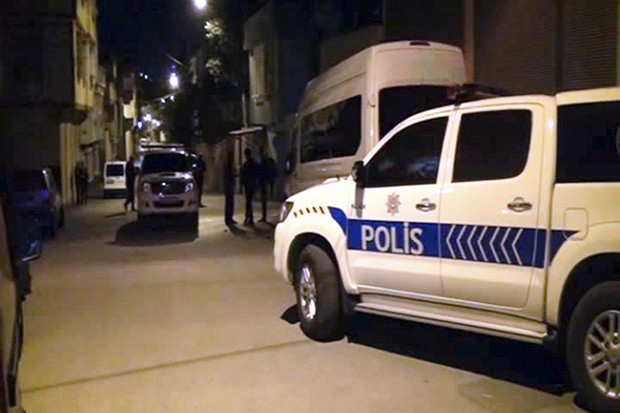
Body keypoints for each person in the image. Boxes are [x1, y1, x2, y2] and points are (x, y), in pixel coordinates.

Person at [240, 148, 258, 226]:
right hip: (252, 184)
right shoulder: (253, 163)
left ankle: (249, 218)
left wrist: (242, 184)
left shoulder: (246, 164)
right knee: (249, 202)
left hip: (248, 185)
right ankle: (249, 218)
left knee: (248, 202)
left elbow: (243, 175)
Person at [259, 149, 277, 222]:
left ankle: (264, 216)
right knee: (265, 200)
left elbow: (262, 172)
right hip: (268, 181)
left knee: (264, 199)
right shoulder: (270, 161)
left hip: (265, 182)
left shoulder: (264, 162)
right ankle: (264, 216)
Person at [223, 150, 237, 227]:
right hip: (229, 187)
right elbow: (229, 176)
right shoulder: (229, 166)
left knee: (229, 203)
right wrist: (234, 175)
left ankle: (229, 218)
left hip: (228, 187)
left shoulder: (228, 165)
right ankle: (229, 218)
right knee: (229, 203)